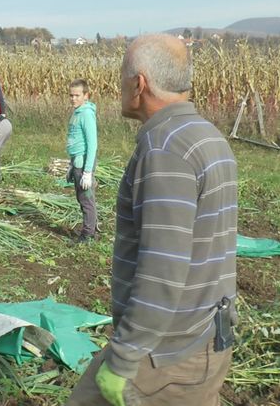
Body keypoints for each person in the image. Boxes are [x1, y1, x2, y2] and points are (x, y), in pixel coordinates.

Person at [66, 34, 237, 406]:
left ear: (139, 84)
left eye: (122, 77)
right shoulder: (208, 136)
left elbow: (163, 268)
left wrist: (125, 357)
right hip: (207, 336)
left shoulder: (165, 149)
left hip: (165, 357)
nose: (118, 86)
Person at [65, 79, 98, 243]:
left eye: (77, 95)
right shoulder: (77, 112)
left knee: (86, 199)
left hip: (84, 162)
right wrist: (72, 164)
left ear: (86, 95)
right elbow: (75, 140)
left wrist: (87, 172)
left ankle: (88, 235)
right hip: (77, 161)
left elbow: (92, 144)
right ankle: (92, 227)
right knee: (82, 198)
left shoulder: (86, 114)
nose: (73, 99)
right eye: (71, 95)